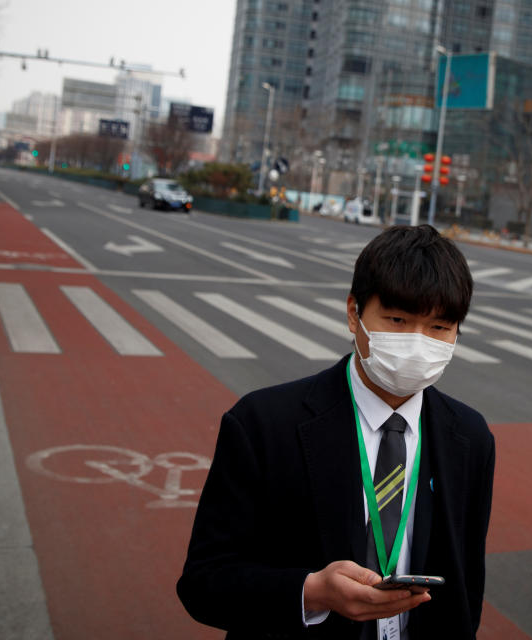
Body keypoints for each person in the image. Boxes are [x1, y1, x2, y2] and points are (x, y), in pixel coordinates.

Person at [177, 225, 496, 640]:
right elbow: (204, 583)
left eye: (438, 328)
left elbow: (466, 585)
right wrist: (312, 592)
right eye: (398, 320)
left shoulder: (470, 437)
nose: (418, 345)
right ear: (354, 313)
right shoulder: (264, 423)